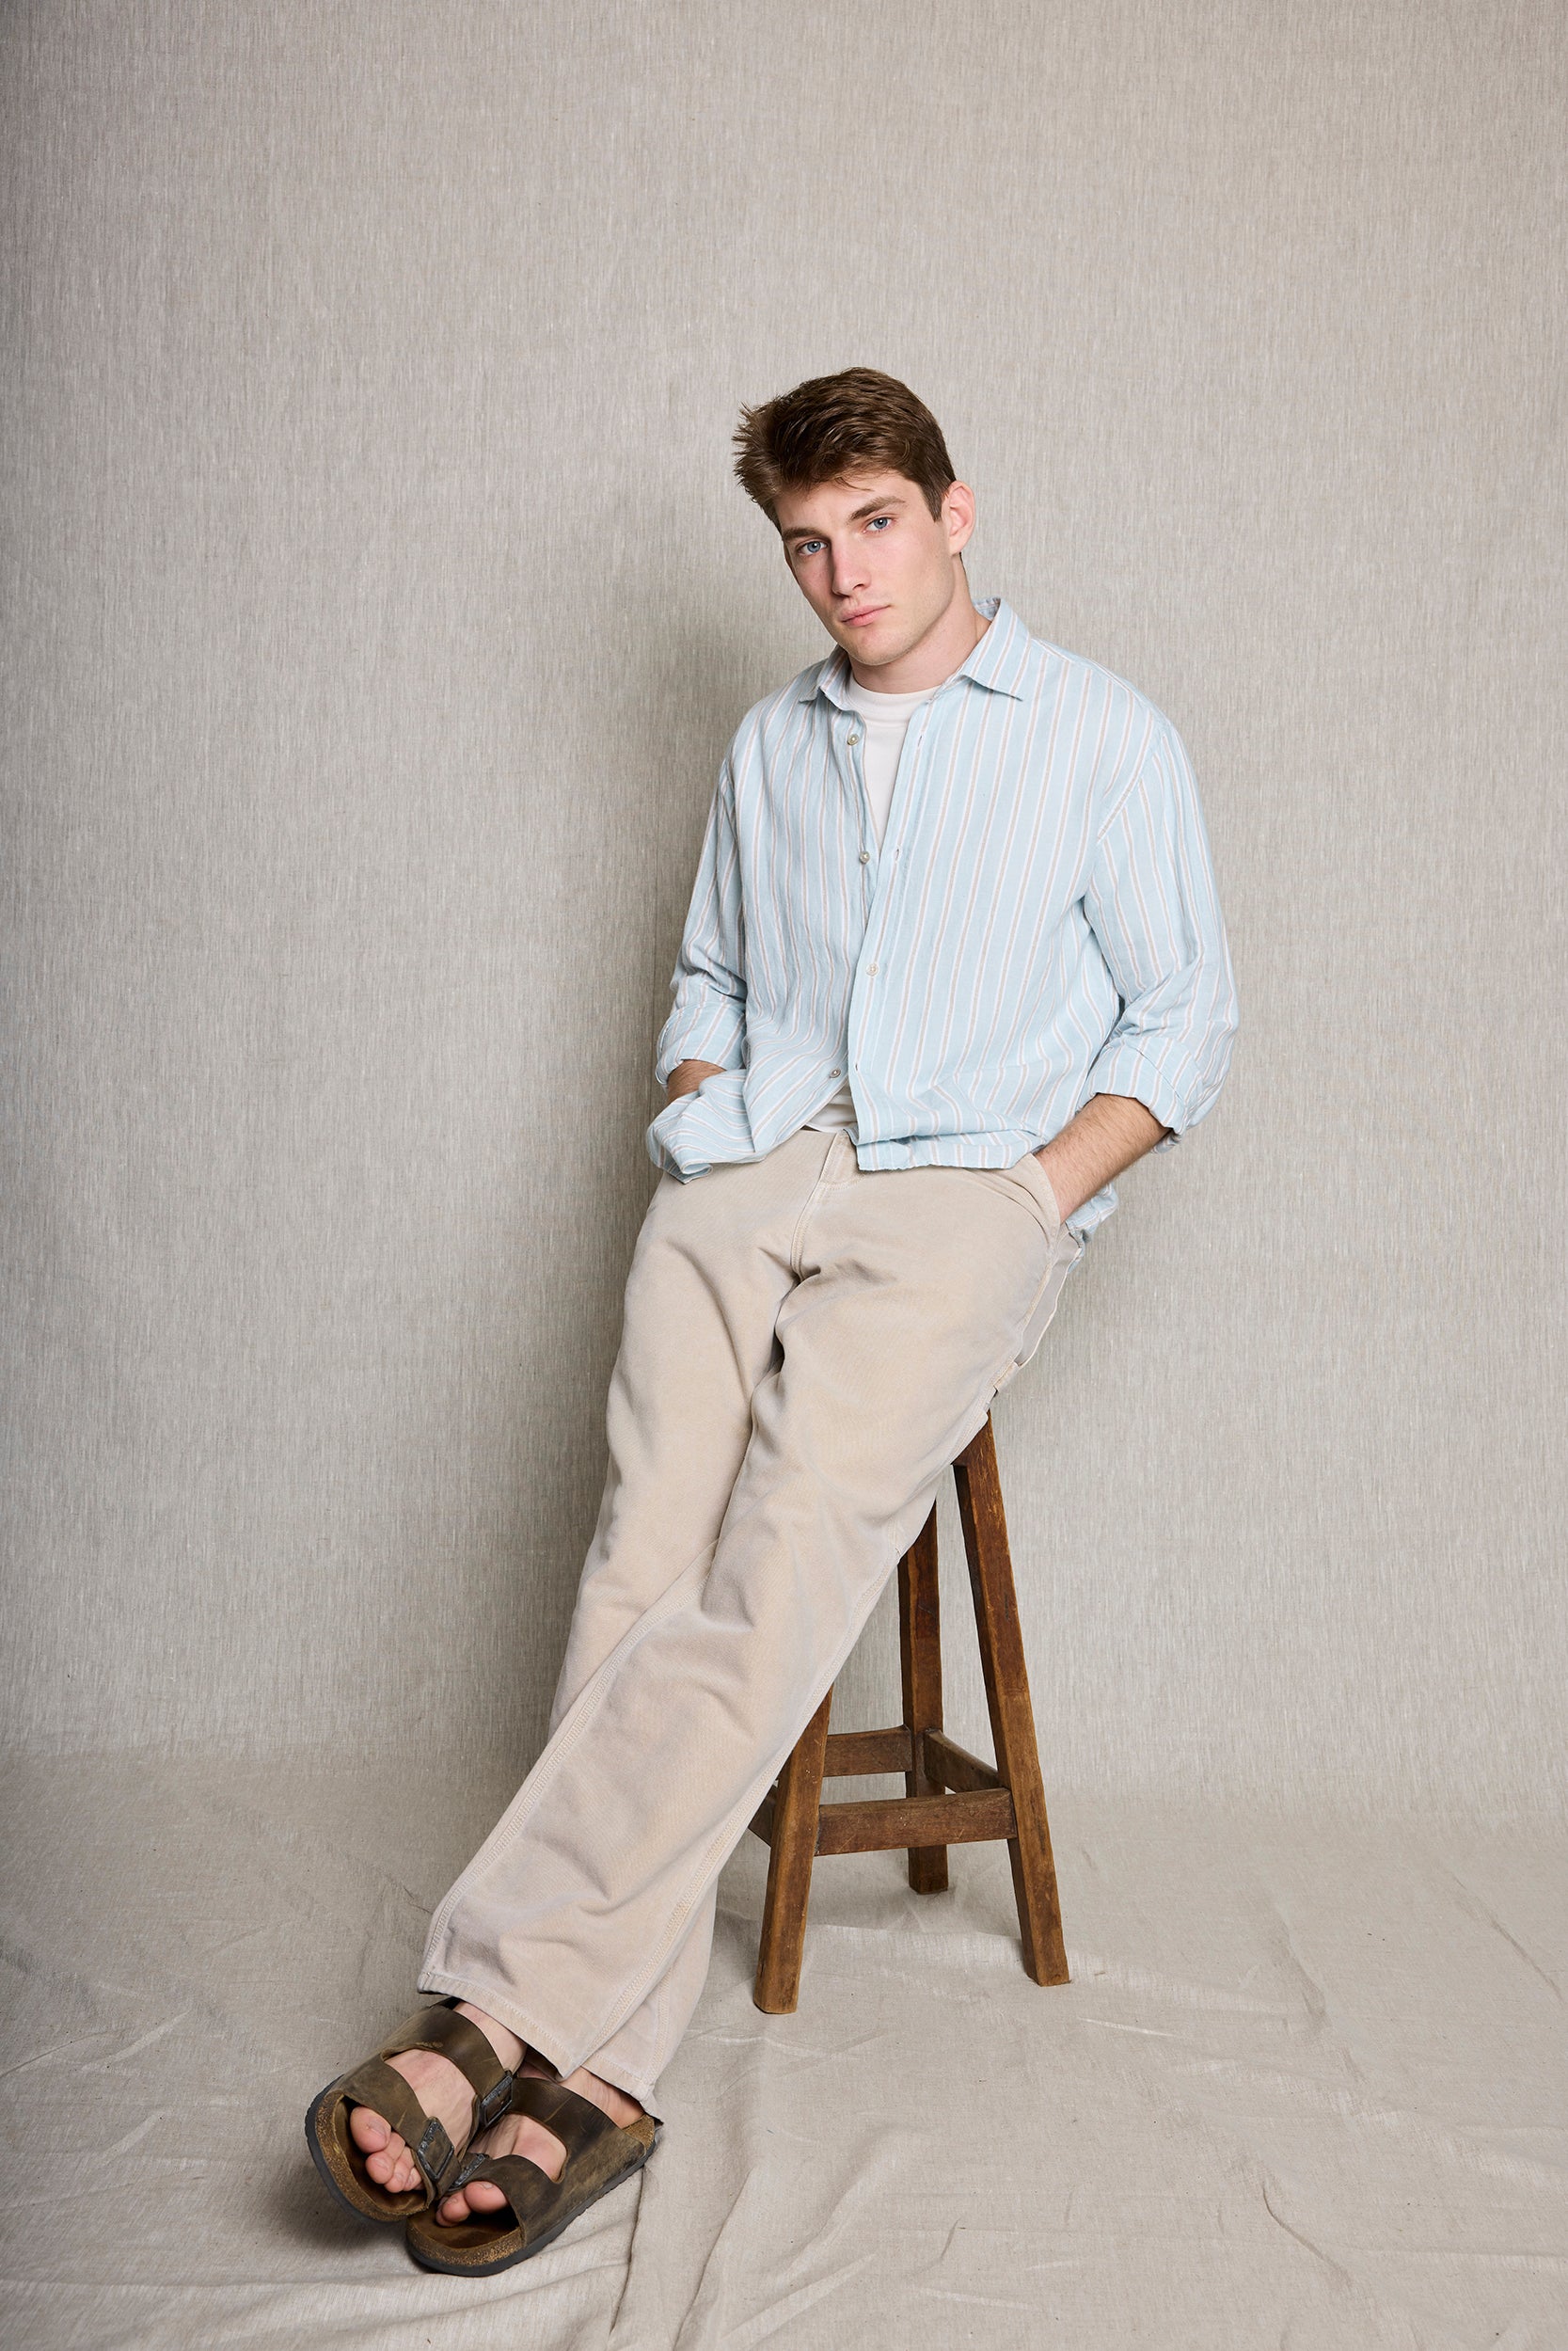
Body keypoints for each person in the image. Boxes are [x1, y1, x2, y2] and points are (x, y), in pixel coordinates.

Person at [305, 366, 1240, 2276]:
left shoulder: (1101, 734)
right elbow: (710, 968)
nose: (845, 573)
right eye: (808, 545)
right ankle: (602, 2067)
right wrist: (697, 1093)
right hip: (757, 1162)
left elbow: (1186, 1023)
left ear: (954, 512)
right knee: (635, 1562)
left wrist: (1033, 1192)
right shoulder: (770, 742)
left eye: (875, 523)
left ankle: (493, 2010)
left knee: (775, 1571)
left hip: (963, 1190)